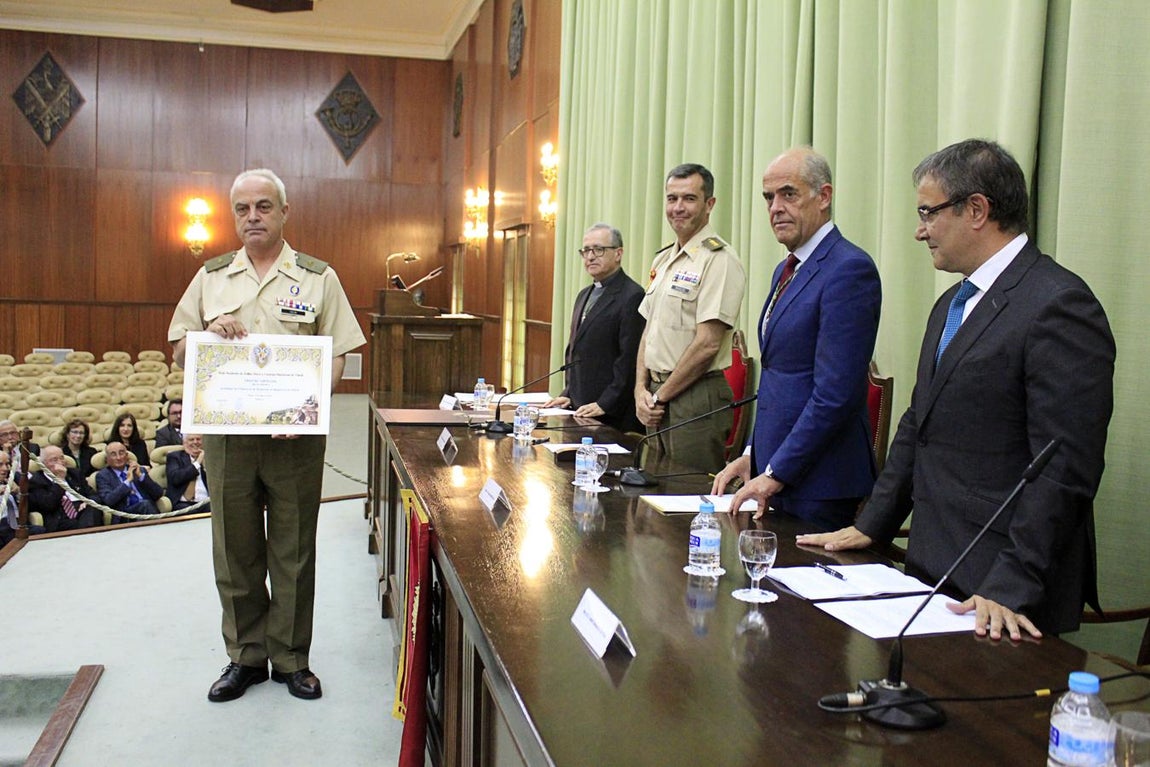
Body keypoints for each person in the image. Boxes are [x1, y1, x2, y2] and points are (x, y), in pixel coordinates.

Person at [798, 139, 1115, 640]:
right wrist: (873, 524)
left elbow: (1064, 468)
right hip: (933, 564)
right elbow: (917, 424)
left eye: (928, 212)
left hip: (1001, 590)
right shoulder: (951, 303)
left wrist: (1010, 584)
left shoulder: (1059, 305)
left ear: (976, 209)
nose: (918, 230)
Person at [168, 168, 366, 703]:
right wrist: (206, 333)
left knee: (294, 547)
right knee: (234, 550)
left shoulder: (318, 277)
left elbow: (341, 356)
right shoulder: (210, 277)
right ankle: (245, 657)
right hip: (228, 440)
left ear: (283, 212)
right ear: (234, 216)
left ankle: (292, 659)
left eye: (263, 206)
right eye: (242, 209)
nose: (252, 216)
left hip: (293, 441)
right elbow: (181, 350)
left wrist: (303, 412)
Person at [711, 148, 882, 532]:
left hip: (821, 482)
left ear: (824, 196)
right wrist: (754, 454)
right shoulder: (784, 269)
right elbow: (778, 379)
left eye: (788, 194)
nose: (775, 207)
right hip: (780, 474)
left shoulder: (849, 269)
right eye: (768, 197)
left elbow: (834, 394)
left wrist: (776, 470)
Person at [634, 163, 746, 473]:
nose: (678, 208)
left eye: (689, 199)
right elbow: (649, 332)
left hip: (696, 395)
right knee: (654, 494)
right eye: (672, 199)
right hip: (657, 396)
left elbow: (708, 344)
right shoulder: (663, 259)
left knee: (686, 499)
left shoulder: (719, 260)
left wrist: (658, 397)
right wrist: (640, 391)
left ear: (709, 204)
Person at [544, 223, 645, 432]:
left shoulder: (632, 295)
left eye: (598, 250)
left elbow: (629, 360)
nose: (590, 257)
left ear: (618, 253)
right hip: (581, 410)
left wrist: (604, 404)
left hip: (611, 415)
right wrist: (568, 394)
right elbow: (577, 352)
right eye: (586, 251)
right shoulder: (584, 294)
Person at [28, 445, 103, 533]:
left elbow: (94, 495)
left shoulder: (75, 474)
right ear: (43, 464)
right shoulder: (37, 481)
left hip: (83, 510)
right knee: (87, 521)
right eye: (54, 460)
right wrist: (60, 480)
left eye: (62, 458)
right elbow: (48, 505)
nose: (60, 462)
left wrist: (88, 502)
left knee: (92, 508)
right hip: (61, 517)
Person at [96, 441, 164, 520]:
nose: (118, 458)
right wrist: (127, 482)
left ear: (127, 456)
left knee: (146, 505)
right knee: (145, 505)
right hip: (125, 515)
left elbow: (158, 493)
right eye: (113, 454)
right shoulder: (103, 476)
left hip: (146, 510)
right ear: (107, 459)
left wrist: (141, 476)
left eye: (121, 453)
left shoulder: (139, 470)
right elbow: (109, 500)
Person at [166, 433, 210, 514]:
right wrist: (197, 463)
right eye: (191, 440)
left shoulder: (209, 457)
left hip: (205, 502)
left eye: (198, 439)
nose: (195, 442)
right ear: (184, 443)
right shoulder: (175, 457)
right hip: (182, 503)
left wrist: (205, 466)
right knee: (190, 512)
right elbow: (175, 478)